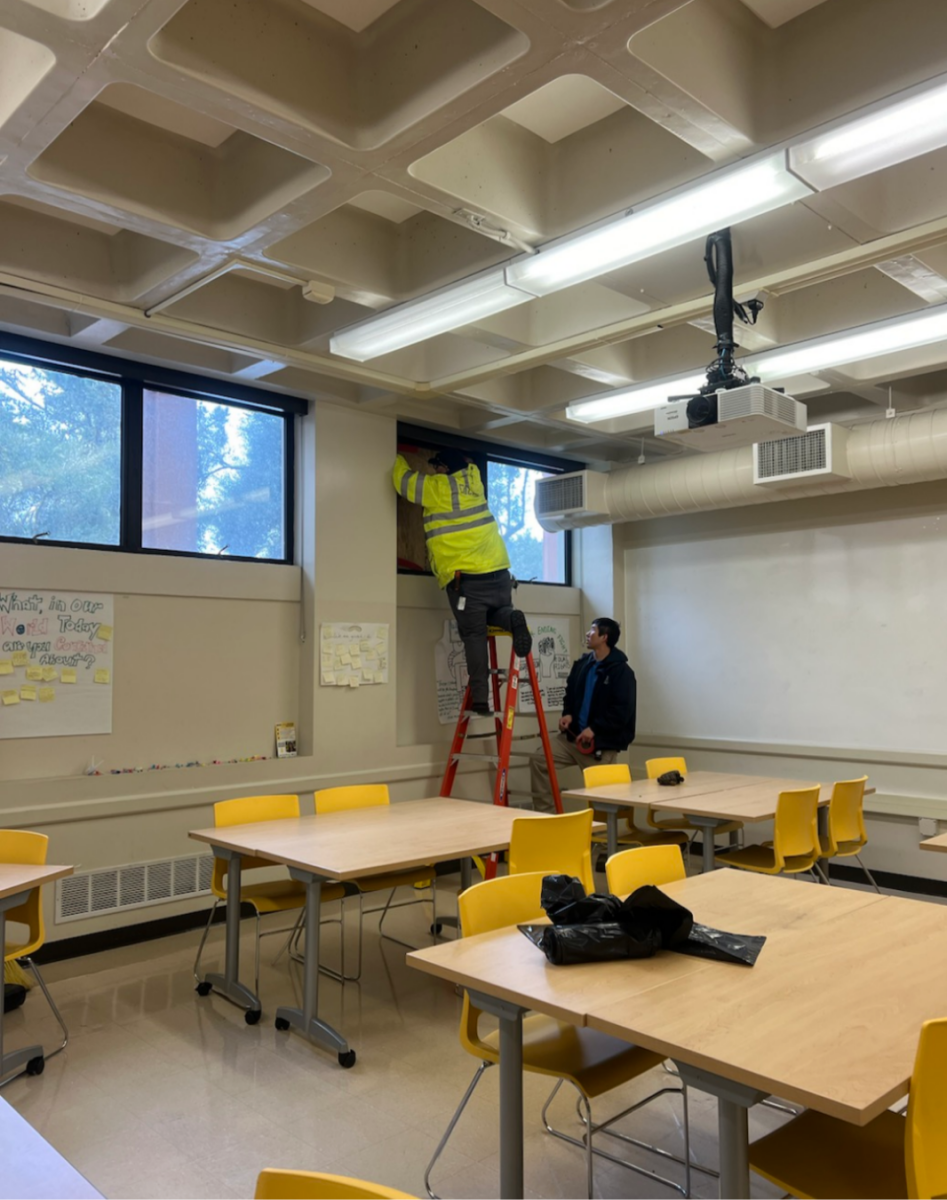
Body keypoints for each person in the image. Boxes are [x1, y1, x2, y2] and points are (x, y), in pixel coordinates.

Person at [392, 447, 532, 714]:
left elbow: (403, 482)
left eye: (436, 468)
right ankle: (511, 619)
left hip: (467, 581)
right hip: (500, 573)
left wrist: (395, 453)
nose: (434, 472)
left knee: (474, 636)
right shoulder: (475, 482)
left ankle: (480, 699)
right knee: (496, 615)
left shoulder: (440, 488)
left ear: (443, 468)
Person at [529, 617, 636, 813]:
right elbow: (571, 693)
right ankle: (546, 816)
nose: (588, 634)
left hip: (600, 745)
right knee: (538, 759)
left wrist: (594, 729)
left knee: (604, 799)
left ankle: (604, 839)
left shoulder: (621, 672)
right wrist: (568, 714)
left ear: (604, 637)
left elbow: (621, 710)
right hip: (571, 739)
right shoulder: (583, 664)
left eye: (593, 630)